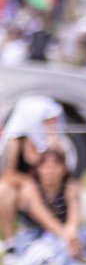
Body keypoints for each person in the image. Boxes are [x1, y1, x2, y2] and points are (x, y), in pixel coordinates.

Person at [1, 95, 63, 246]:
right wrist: (29, 182)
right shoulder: (16, 141)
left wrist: (53, 145)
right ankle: (10, 240)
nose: (51, 124)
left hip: (48, 188)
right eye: (47, 121)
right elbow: (7, 174)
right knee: (6, 190)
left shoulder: (51, 141)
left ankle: (56, 231)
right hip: (24, 191)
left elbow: (64, 172)